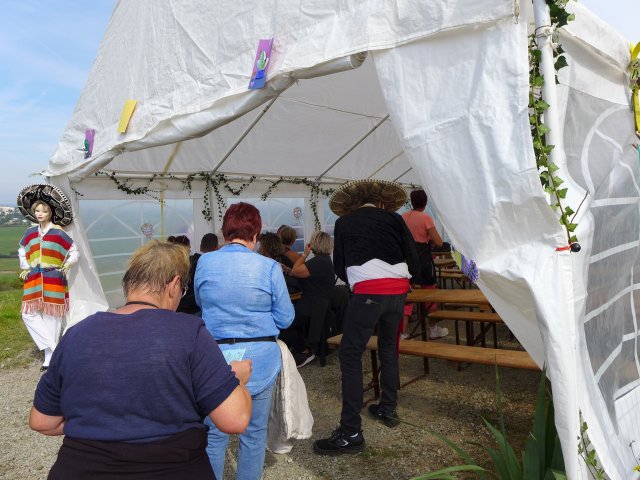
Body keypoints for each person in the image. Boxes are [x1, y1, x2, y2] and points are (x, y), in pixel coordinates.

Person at [29, 240, 252, 479]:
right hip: (174, 468)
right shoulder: (189, 331)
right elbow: (235, 420)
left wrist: (95, 427)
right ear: (174, 285)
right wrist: (236, 377)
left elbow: (42, 421)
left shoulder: (76, 333)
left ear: (129, 284)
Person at [313, 179, 419, 456]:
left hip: (368, 293)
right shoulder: (394, 219)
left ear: (352, 204)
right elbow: (413, 257)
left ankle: (351, 431)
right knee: (389, 348)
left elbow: (339, 266)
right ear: (381, 202)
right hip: (398, 291)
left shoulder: (344, 223)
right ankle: (388, 408)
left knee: (350, 354)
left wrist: (361, 280)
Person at [195, 202, 295, 480]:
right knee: (254, 433)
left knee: (214, 433)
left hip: (215, 358)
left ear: (225, 232)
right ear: (256, 234)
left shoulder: (205, 262)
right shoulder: (269, 267)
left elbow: (202, 304)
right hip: (260, 359)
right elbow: (286, 318)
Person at [16, 184, 78, 372]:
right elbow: (22, 250)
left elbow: (74, 251)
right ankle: (56, 348)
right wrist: (25, 266)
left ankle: (49, 359)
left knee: (53, 317)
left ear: (50, 212)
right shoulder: (30, 233)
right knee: (28, 314)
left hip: (54, 277)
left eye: (44, 211)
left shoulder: (59, 232)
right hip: (34, 277)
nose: (40, 214)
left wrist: (68, 263)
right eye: (37, 210)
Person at [280, 231, 335, 367]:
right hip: (318, 304)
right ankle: (302, 346)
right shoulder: (324, 261)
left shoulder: (318, 261)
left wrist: (305, 254)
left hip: (312, 304)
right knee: (290, 320)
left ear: (315, 243)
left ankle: (305, 351)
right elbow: (299, 272)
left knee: (283, 323)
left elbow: (296, 271)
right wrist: (288, 270)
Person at [401, 189, 447, 340]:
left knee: (408, 295)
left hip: (407, 260)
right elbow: (439, 242)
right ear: (425, 203)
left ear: (412, 201)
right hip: (423, 260)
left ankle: (403, 332)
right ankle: (433, 329)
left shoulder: (403, 217)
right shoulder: (425, 218)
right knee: (430, 293)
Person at [176, 233, 219, 315]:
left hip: (180, 306)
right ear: (216, 248)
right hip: (196, 309)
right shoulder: (211, 265)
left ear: (200, 247)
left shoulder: (188, 260)